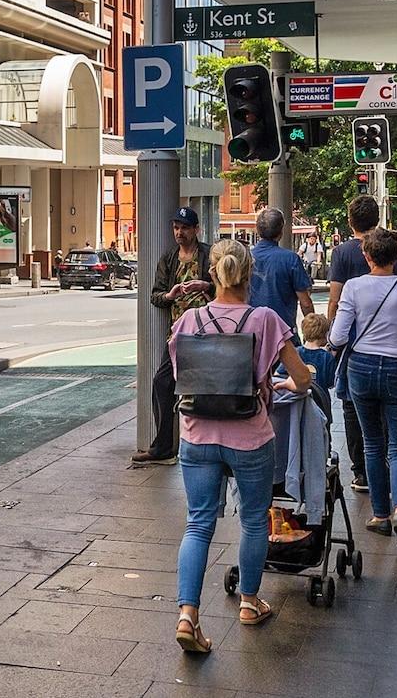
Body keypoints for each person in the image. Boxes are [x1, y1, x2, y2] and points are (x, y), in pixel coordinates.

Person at [169, 238, 313, 651]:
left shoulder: (188, 322)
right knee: (253, 520)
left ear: (211, 274)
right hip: (249, 436)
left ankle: (188, 616)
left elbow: (184, 374)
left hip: (197, 435)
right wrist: (283, 382)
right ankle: (249, 603)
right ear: (250, 275)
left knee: (198, 523)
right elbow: (301, 377)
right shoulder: (265, 319)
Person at [330, 227, 397, 552]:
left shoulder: (354, 288)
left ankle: (380, 514)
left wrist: (330, 344)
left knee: (372, 443)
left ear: (367, 256)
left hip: (362, 368)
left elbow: (340, 334)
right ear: (396, 257)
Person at [325, 196, 397, 492]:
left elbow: (334, 300)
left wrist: (332, 339)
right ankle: (386, 469)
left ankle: (361, 471)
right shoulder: (391, 249)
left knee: (351, 407)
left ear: (350, 221)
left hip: (354, 348)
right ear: (377, 219)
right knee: (387, 411)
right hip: (393, 347)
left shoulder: (341, 253)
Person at [132, 206, 214, 466]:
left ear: (196, 229)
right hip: (177, 334)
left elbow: (226, 288)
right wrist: (170, 295)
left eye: (184, 228)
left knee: (204, 390)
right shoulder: (169, 258)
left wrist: (206, 286)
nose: (179, 233)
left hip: (206, 333)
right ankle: (163, 445)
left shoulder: (208, 255)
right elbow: (155, 295)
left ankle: (207, 443)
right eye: (176, 228)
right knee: (162, 383)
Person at [247, 207, 314, 341]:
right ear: (281, 231)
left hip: (251, 332)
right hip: (283, 332)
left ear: (258, 230)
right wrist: (312, 331)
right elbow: (305, 302)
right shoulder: (290, 259)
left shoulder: (246, 257)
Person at [296, 311, 338, 393]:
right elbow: (331, 383)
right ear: (325, 334)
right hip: (321, 399)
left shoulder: (295, 352)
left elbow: (280, 374)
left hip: (299, 398)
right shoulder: (327, 357)